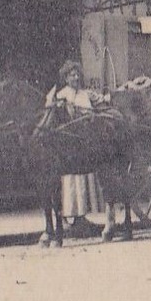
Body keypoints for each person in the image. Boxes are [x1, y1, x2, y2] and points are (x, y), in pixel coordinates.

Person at [46, 60, 105, 237]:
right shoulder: (62, 95)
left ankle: (82, 218)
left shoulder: (85, 94)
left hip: (86, 139)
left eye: (77, 74)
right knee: (72, 182)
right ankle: (70, 217)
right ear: (66, 77)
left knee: (86, 179)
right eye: (72, 75)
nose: (76, 77)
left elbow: (99, 103)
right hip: (71, 143)